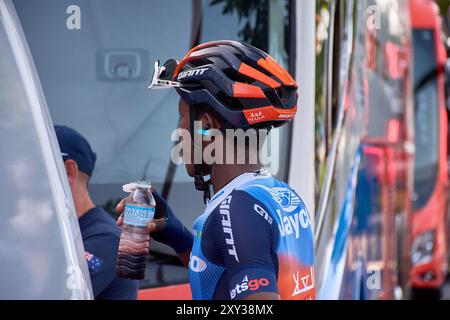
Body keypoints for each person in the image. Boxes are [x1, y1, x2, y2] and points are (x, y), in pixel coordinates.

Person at [117, 40, 315, 300]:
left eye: (182, 118)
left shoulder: (235, 211)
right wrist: (177, 236)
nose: (177, 133)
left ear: (207, 126)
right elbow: (223, 276)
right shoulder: (283, 197)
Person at [55, 125, 139, 300]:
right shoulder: (65, 233)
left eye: (36, 170)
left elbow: (50, 292)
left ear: (68, 172)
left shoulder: (107, 241)